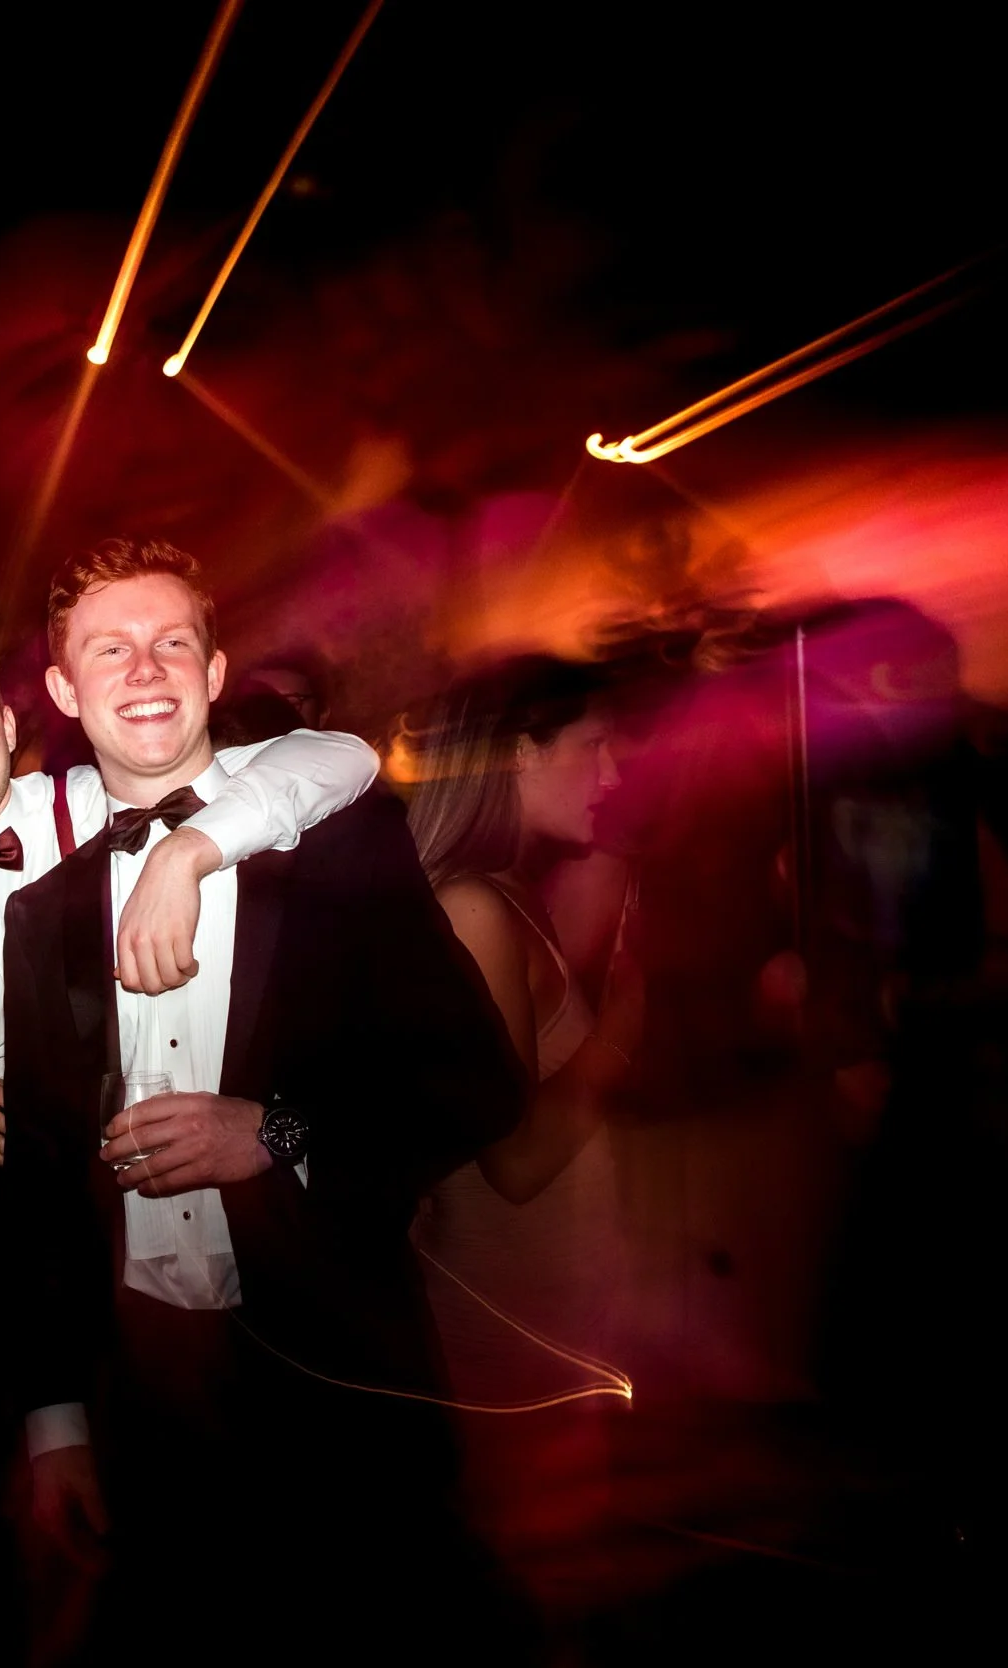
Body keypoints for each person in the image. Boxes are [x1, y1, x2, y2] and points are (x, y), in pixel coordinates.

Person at [0, 538, 529, 1656]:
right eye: (108, 649)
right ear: (61, 689)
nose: (143, 670)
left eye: (169, 644)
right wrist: (53, 1425)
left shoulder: (339, 851)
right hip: (142, 1404)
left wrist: (275, 1130)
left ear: (211, 668)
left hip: (341, 1388)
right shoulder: (39, 916)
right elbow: (42, 1186)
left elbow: (473, 1084)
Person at [0, 613, 381, 1168]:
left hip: (179, 1140)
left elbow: (341, 757)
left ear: (7, 727)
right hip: (26, 1181)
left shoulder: (97, 805)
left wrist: (186, 850)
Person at [395, 657, 643, 1607]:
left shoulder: (504, 893)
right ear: (516, 752)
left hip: (554, 1321)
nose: (614, 774)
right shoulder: (470, 908)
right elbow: (516, 1160)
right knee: (544, 1604)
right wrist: (628, 1018)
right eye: (594, 747)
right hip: (511, 1338)